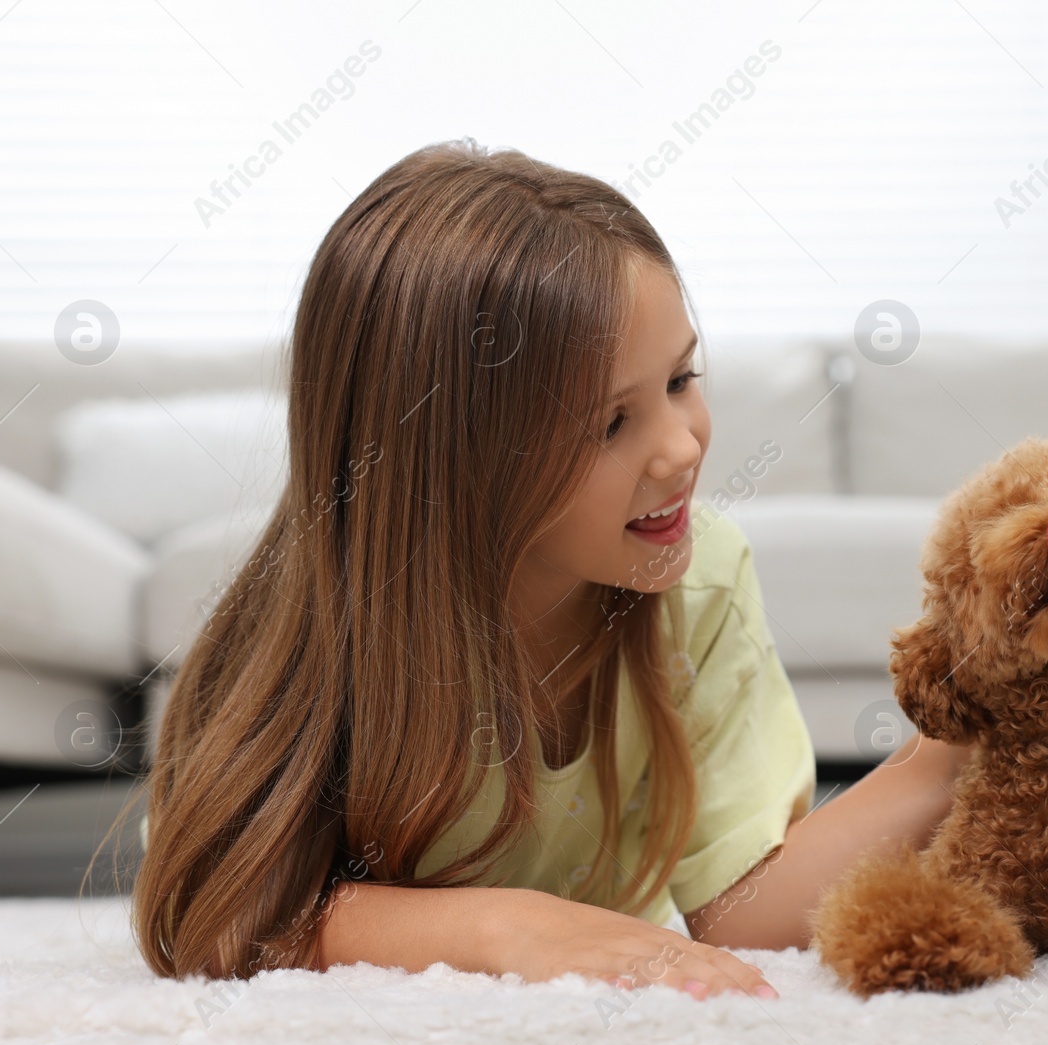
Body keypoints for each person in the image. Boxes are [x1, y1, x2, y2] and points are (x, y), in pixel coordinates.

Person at [127, 138, 968, 1001]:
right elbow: (212, 909)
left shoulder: (700, 580)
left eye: (682, 378)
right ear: (450, 459)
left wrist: (957, 744)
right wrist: (506, 926)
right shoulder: (322, 616)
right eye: (610, 425)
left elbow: (741, 907)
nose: (681, 447)